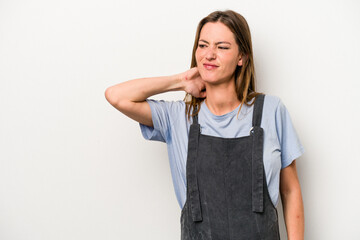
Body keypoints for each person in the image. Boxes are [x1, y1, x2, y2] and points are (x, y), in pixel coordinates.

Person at [105, 10, 304, 240]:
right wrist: (180, 81)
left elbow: (290, 191)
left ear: (242, 57)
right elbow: (116, 96)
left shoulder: (271, 110)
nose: (209, 54)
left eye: (222, 47)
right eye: (202, 45)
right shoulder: (178, 117)